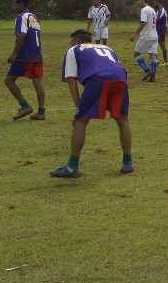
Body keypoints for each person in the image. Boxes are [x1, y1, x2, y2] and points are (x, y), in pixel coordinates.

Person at [50, 29, 133, 178]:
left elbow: (72, 83)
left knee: (80, 122)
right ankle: (128, 163)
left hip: (98, 79)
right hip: (120, 78)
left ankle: (71, 167)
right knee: (122, 119)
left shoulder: (74, 50)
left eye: (70, 42)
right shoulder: (106, 47)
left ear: (76, 41)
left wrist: (78, 110)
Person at [5, 0, 46, 120]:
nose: (14, 7)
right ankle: (41, 112)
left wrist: (14, 53)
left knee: (9, 81)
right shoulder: (34, 17)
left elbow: (22, 35)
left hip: (24, 55)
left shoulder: (21, 17)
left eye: (15, 4)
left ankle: (25, 106)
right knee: (37, 81)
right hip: (37, 54)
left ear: (21, 4)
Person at [130, 0, 159, 81]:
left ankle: (147, 70)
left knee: (136, 54)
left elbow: (143, 22)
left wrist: (135, 34)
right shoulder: (152, 10)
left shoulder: (144, 10)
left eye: (138, 0)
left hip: (146, 36)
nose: (137, 3)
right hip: (154, 36)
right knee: (153, 55)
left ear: (143, 0)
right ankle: (153, 76)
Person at [153, 0, 168, 65]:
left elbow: (157, 20)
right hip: (159, 30)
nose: (154, 5)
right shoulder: (159, 10)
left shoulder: (161, 10)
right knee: (154, 44)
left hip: (160, 30)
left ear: (158, 3)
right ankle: (155, 60)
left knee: (161, 45)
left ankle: (165, 61)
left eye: (155, 3)